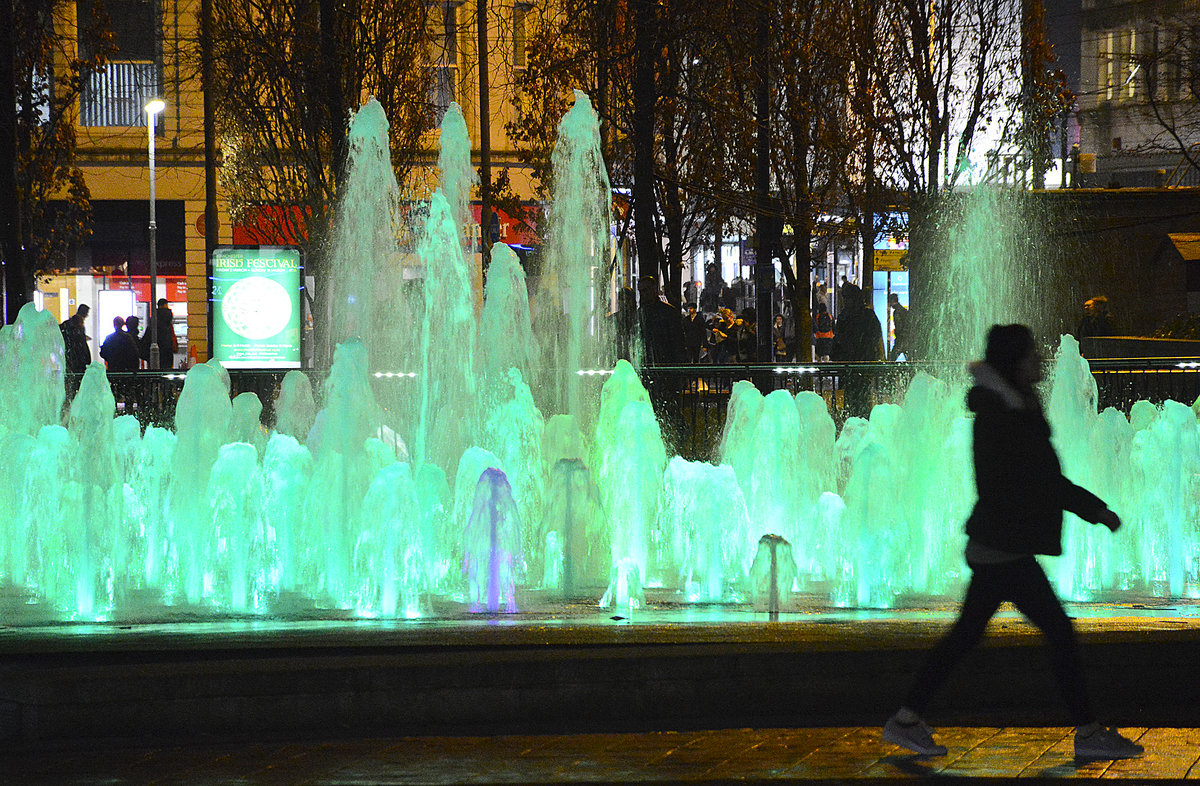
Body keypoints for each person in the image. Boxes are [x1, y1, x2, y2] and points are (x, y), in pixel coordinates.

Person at [882, 324, 1143, 762]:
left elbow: (1038, 477)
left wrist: (1088, 509)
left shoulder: (1011, 407)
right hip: (1003, 547)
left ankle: (907, 719)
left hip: (1001, 545)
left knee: (967, 636)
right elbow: (1035, 480)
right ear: (1014, 363)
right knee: (1057, 631)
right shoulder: (1002, 415)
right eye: (1031, 355)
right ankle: (1088, 731)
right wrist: (1094, 510)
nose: (1039, 360)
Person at [831, 285, 883, 417]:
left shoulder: (859, 316)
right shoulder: (851, 316)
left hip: (857, 365)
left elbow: (873, 337)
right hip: (855, 366)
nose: (846, 302)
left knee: (859, 400)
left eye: (848, 299)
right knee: (856, 400)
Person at [637, 275, 684, 365]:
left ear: (654, 289)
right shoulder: (640, 313)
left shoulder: (668, 312)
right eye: (641, 291)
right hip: (650, 361)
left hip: (665, 360)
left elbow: (677, 341)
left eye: (646, 290)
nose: (644, 294)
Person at [60, 304, 92, 374]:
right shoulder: (79, 325)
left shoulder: (68, 323)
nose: (87, 315)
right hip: (79, 358)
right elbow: (80, 342)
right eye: (87, 313)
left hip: (70, 356)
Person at [154, 298, 178, 369]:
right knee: (167, 369)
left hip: (157, 349)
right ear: (166, 305)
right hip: (168, 349)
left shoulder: (155, 318)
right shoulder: (168, 319)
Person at [887, 293, 910, 362]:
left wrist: (899, 335)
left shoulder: (898, 311)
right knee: (909, 358)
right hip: (904, 337)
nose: (890, 304)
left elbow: (900, 325)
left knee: (892, 358)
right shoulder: (902, 310)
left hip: (902, 338)